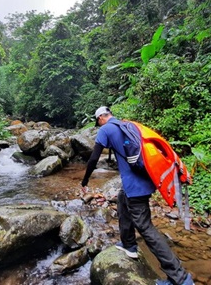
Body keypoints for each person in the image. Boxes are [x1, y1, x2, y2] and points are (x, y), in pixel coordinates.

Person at [81, 106, 194, 285]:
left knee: (145, 227)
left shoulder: (106, 129)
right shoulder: (126, 125)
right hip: (142, 180)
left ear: (102, 117)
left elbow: (94, 158)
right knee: (121, 200)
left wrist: (85, 180)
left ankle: (180, 278)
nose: (99, 124)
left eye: (98, 121)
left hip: (136, 187)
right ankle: (129, 245)